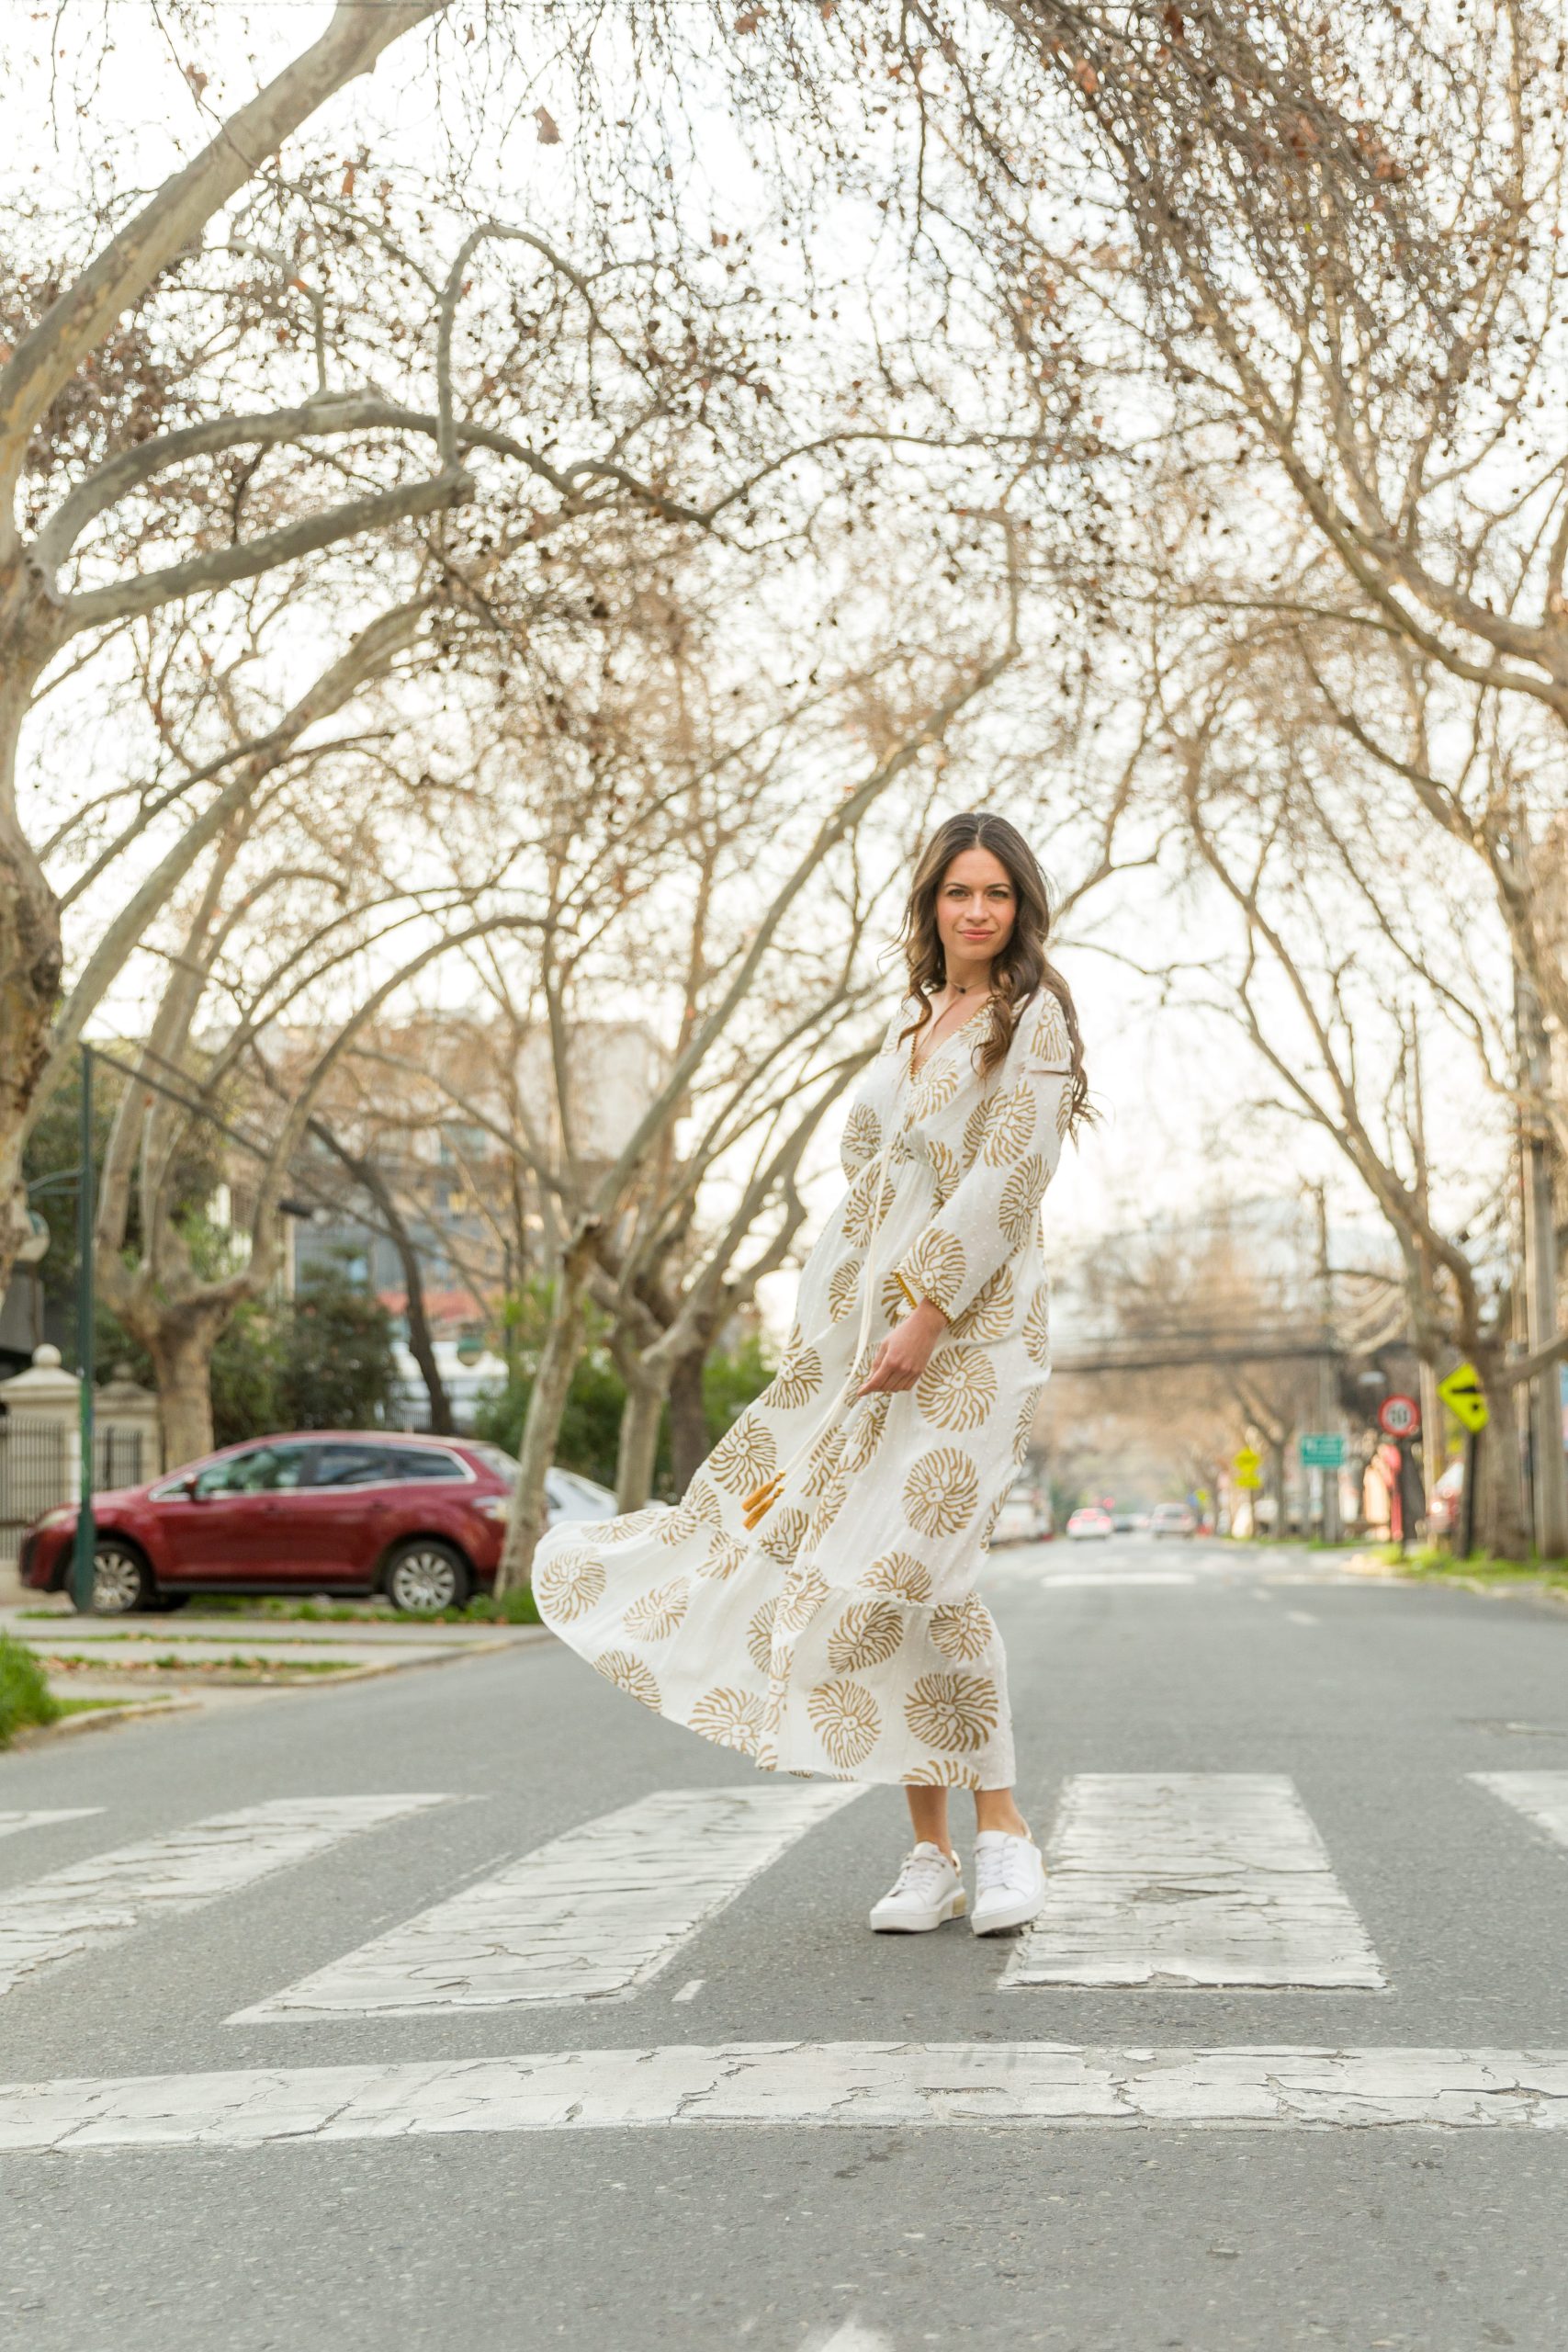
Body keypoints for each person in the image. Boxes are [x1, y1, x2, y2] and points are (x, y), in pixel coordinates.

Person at [532, 810, 1091, 1937]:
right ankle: (932, 1853)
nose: (978, 910)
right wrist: (841, 1327)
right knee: (862, 1580)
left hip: (969, 1342)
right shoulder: (911, 1024)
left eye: (997, 892)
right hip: (865, 1341)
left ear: (1022, 907)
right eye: (958, 891)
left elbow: (1008, 1182)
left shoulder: (1033, 1023)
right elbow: (870, 1188)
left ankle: (1006, 1830)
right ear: (930, 905)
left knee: (925, 1573)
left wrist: (928, 1315)